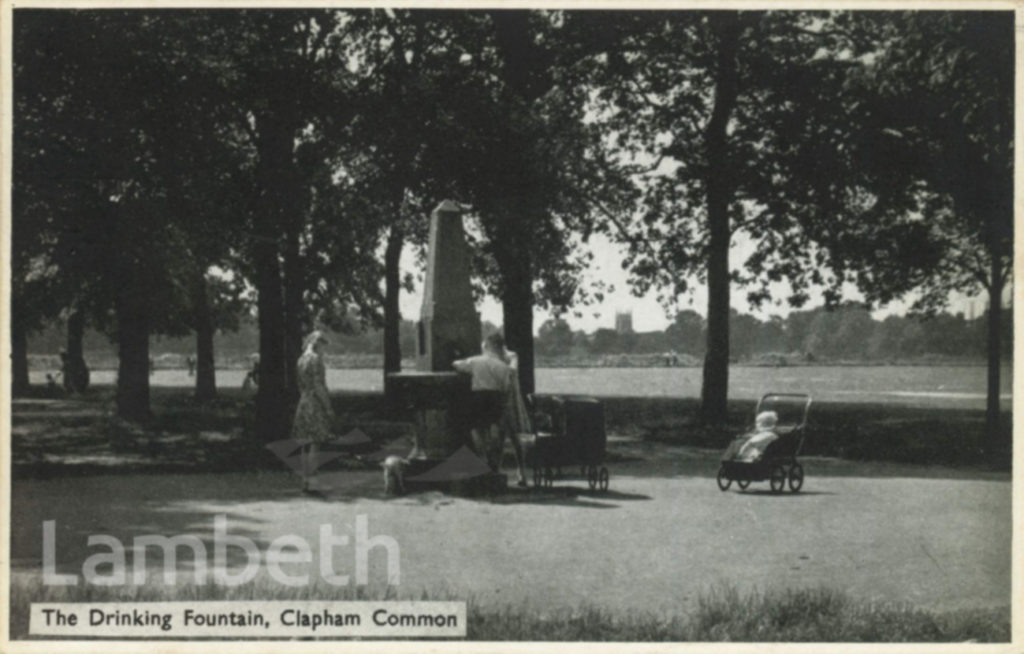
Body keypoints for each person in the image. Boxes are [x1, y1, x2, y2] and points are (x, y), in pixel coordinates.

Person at [453, 333, 528, 486]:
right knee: (503, 436)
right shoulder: (503, 360)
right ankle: (497, 469)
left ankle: (509, 469)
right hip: (502, 397)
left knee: (509, 435)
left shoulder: (507, 358)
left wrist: (512, 359)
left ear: (489, 346)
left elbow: (511, 375)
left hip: (507, 398)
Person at [291, 331, 335, 493]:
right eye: (324, 346)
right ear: (319, 344)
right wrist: (328, 407)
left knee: (304, 442)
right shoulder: (316, 360)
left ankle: (305, 480)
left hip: (303, 401)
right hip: (315, 403)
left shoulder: (301, 359)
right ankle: (312, 481)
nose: (324, 351)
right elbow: (318, 385)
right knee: (315, 443)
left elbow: (300, 384)